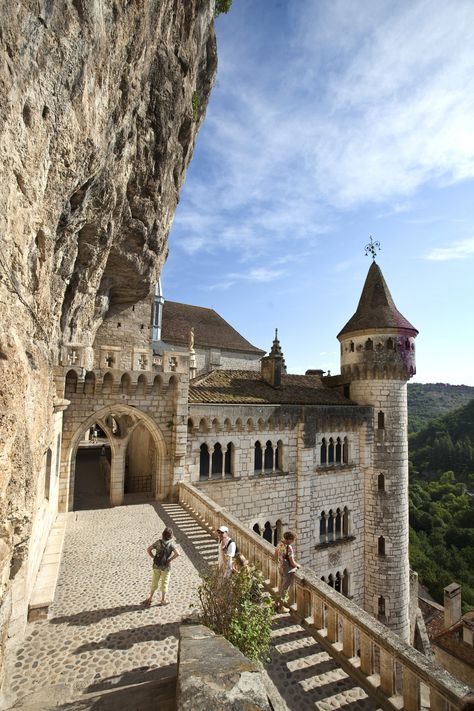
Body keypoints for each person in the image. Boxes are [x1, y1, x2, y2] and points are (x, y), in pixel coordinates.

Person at [142, 526, 180, 607]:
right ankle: (163, 599)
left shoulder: (158, 542)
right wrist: (169, 560)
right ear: (171, 535)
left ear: (163, 534)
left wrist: (153, 557)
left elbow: (148, 549)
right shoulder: (171, 544)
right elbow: (178, 554)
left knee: (154, 581)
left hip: (156, 565)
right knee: (164, 582)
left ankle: (150, 598)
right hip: (166, 566)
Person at [274, 531, 300, 611]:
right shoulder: (289, 547)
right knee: (285, 589)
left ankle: (276, 603)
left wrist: (279, 563)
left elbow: (275, 555)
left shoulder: (280, 544)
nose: (293, 541)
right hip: (287, 570)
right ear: (289, 539)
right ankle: (281, 607)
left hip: (281, 568)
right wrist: (297, 565)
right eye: (293, 540)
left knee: (281, 587)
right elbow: (292, 562)